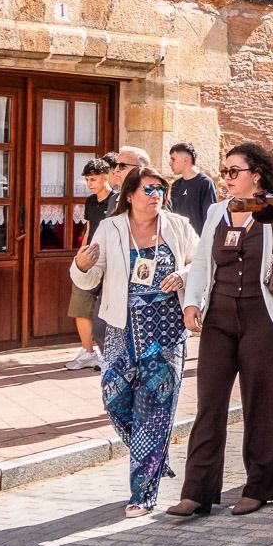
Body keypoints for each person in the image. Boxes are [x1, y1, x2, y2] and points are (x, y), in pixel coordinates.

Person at [170, 143, 273, 517]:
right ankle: (197, 491)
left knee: (264, 402)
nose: (226, 178)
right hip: (220, 316)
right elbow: (200, 262)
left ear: (255, 175)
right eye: (224, 171)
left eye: (234, 171)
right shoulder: (217, 212)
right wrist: (192, 302)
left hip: (264, 315)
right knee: (209, 402)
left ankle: (263, 485)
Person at [71, 166, 197, 517]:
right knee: (114, 399)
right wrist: (81, 265)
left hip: (166, 330)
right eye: (148, 189)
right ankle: (155, 452)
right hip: (120, 328)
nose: (155, 195)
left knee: (155, 410)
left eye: (160, 189)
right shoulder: (110, 227)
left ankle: (143, 493)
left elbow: (201, 263)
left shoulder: (177, 226)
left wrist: (183, 274)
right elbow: (88, 276)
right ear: (129, 195)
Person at [67, 156, 115, 372]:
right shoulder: (90, 201)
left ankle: (109, 357)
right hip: (90, 260)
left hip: (110, 261)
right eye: (87, 180)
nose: (89, 184)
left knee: (106, 311)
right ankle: (88, 353)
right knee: (80, 306)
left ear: (106, 177)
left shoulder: (118, 201)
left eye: (93, 179)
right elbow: (88, 228)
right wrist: (81, 256)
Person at [168, 142, 218, 234]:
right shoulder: (176, 185)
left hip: (198, 242)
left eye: (173, 159)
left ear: (185, 160)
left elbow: (210, 217)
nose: (170, 163)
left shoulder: (205, 183)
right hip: (179, 241)